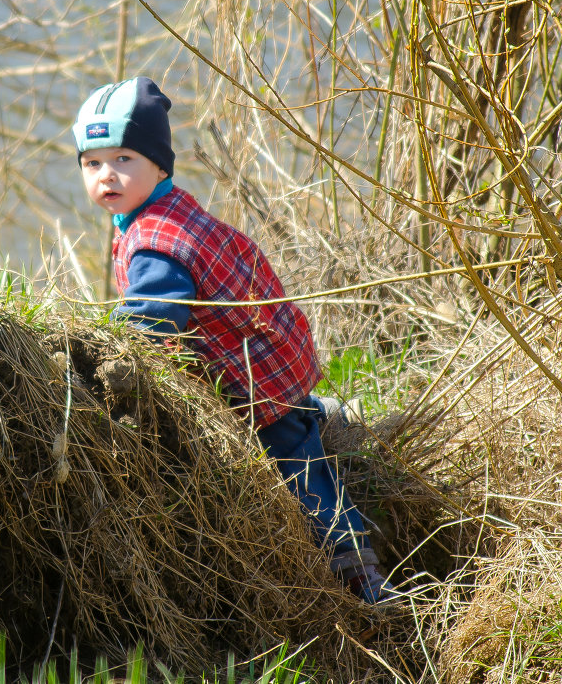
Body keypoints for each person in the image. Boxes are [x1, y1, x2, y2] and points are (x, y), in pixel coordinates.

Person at [72, 76, 398, 605]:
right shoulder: (165, 210)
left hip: (256, 372)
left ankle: (359, 570)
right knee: (294, 419)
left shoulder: (155, 242)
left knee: (299, 470)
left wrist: (109, 356)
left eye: (125, 158)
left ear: (159, 164)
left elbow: (153, 318)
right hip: (266, 347)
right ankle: (323, 414)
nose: (107, 175)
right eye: (92, 163)